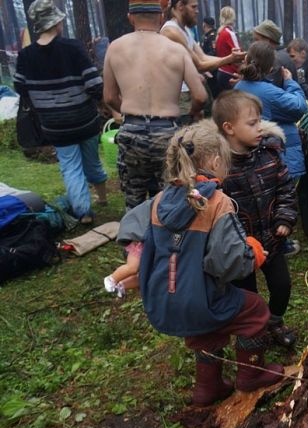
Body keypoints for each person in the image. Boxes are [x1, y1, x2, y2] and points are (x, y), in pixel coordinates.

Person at [118, 120, 284, 406]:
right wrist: (252, 253)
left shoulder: (159, 200)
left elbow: (132, 230)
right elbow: (228, 263)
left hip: (165, 300)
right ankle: (251, 375)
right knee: (255, 310)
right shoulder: (218, 203)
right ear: (216, 161)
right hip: (200, 299)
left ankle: (207, 389)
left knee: (206, 328)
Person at [214, 89, 300, 348]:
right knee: (246, 294)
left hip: (271, 240)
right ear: (229, 128)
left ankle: (274, 322)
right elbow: (217, 210)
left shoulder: (269, 154)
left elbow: (285, 188)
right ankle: (253, 332)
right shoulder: (219, 165)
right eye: (252, 123)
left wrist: (284, 218)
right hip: (241, 248)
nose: (260, 128)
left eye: (260, 121)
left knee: (282, 285)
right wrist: (236, 241)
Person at [103, 0, 207, 209]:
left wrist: (129, 115)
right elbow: (200, 96)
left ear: (130, 17)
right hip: (167, 132)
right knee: (170, 196)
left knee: (134, 197)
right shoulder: (176, 50)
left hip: (132, 131)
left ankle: (136, 239)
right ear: (161, 17)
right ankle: (166, 236)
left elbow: (110, 97)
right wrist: (191, 115)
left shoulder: (115, 48)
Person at [14, 0, 107, 224]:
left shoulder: (25, 56)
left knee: (70, 166)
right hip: (84, 119)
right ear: (57, 23)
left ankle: (83, 212)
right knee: (92, 161)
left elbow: (19, 87)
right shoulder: (73, 47)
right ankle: (102, 198)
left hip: (54, 124)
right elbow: (94, 84)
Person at [161, 0, 245, 122]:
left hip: (189, 94)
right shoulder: (171, 31)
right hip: (179, 96)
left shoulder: (185, 31)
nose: (197, 11)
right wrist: (230, 59)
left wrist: (233, 58)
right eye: (193, 7)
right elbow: (199, 65)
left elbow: (203, 57)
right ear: (180, 6)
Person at [235, 42, 307, 179]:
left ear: (246, 60)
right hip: (280, 159)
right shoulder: (269, 92)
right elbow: (299, 106)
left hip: (252, 159)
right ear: (270, 68)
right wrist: (290, 82)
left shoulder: (239, 87)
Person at [214, 6, 241, 92]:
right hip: (231, 73)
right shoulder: (230, 33)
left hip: (221, 72)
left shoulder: (220, 33)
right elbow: (239, 55)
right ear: (233, 17)